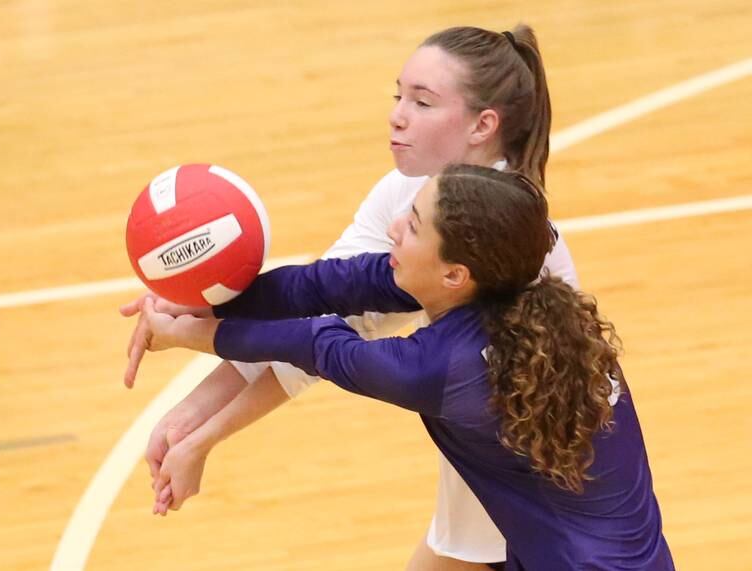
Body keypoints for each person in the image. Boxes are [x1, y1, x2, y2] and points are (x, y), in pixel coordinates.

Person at [122, 24, 578, 570]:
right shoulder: (412, 194)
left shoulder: (488, 234)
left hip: (532, 470)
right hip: (483, 456)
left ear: (483, 125)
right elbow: (322, 301)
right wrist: (193, 409)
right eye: (399, 95)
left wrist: (201, 406)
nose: (397, 114)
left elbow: (323, 340)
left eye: (423, 102)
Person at [125, 166, 674, 570]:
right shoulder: (515, 289)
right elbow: (320, 286)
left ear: (455, 273)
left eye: (412, 224)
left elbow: (317, 343)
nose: (392, 227)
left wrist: (189, 335)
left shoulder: (446, 369)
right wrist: (203, 302)